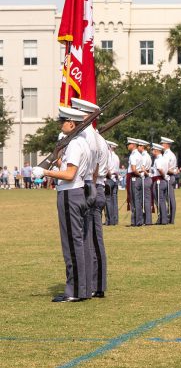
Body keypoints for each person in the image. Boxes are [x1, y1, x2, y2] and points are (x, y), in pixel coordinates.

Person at [37, 106, 94, 302]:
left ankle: (75, 291)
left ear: (72, 123)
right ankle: (81, 289)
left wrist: (45, 172)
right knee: (77, 242)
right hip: (76, 193)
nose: (61, 125)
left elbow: (69, 175)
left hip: (71, 194)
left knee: (71, 244)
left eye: (63, 121)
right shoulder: (79, 143)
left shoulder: (76, 145)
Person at [70, 97, 110, 298]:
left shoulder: (89, 137)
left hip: (93, 187)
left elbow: (93, 170)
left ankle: (96, 285)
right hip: (95, 187)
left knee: (92, 239)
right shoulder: (95, 137)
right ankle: (94, 284)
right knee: (91, 239)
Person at [160, 137, 177, 224]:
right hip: (170, 176)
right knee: (170, 198)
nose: (161, 145)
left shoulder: (167, 155)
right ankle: (170, 218)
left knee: (170, 198)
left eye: (162, 144)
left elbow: (166, 168)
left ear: (166, 145)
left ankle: (170, 218)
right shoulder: (170, 154)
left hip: (168, 177)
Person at [104, 140, 120, 225]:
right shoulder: (116, 157)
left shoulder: (108, 156)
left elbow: (106, 168)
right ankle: (115, 219)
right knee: (114, 201)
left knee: (108, 200)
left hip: (109, 179)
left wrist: (109, 176)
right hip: (115, 179)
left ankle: (109, 220)